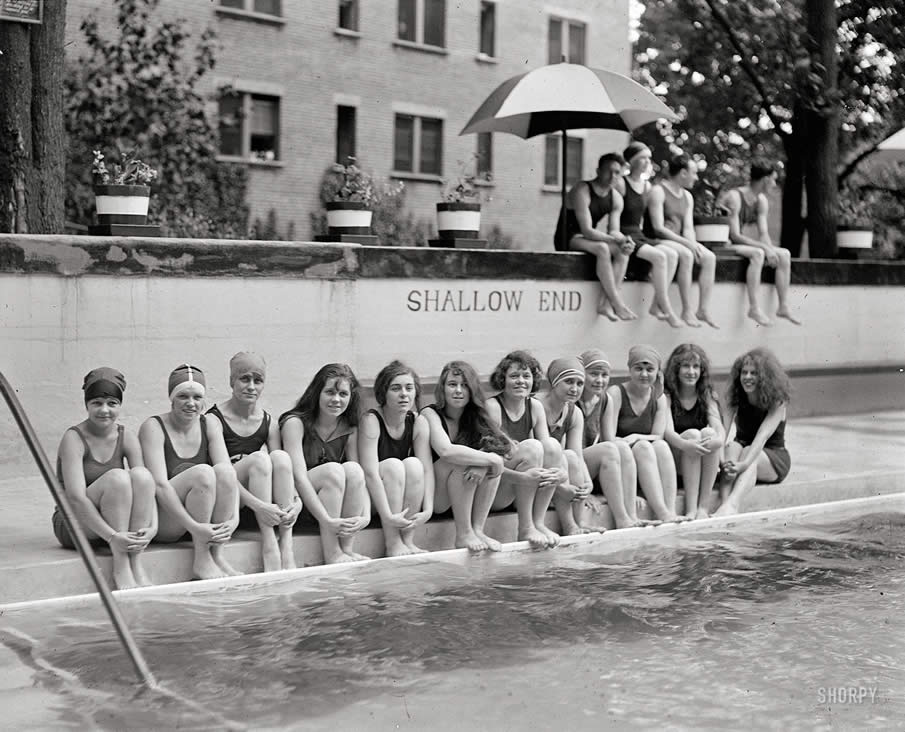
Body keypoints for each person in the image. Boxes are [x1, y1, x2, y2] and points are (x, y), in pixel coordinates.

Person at [55, 367, 157, 590]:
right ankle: (121, 568)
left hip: (111, 524)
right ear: (86, 405)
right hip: (73, 523)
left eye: (112, 403)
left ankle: (135, 563)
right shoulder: (73, 438)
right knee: (118, 479)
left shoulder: (126, 436)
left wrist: (153, 526)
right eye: (97, 403)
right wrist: (112, 538)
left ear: (120, 405)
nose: (104, 410)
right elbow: (75, 498)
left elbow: (146, 487)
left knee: (141, 475)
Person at [139, 364, 241, 580]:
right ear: (172, 398)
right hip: (169, 523)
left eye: (197, 397)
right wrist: (194, 527)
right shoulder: (153, 427)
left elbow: (229, 476)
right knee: (203, 473)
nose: (191, 403)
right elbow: (159, 486)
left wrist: (235, 518)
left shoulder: (210, 424)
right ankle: (202, 560)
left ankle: (217, 555)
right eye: (183, 396)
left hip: (200, 523)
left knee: (224, 470)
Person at [207, 352, 300, 572]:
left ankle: (286, 545)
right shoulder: (214, 419)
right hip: (228, 499)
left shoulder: (268, 422)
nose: (251, 386)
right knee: (259, 459)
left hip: (257, 504)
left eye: (257, 380)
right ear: (232, 381)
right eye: (244, 379)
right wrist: (262, 507)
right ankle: (270, 545)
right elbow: (225, 475)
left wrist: (296, 502)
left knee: (280, 457)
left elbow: (283, 471)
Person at [280, 363, 370, 564]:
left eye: (343, 394)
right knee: (333, 471)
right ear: (316, 393)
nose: (336, 400)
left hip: (333, 511)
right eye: (330, 392)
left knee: (354, 470)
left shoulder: (349, 428)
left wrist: (366, 515)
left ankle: (346, 548)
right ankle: (332, 553)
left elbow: (360, 477)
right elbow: (298, 478)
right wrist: (326, 520)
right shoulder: (295, 423)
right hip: (301, 506)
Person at [421, 361, 508, 552]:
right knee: (461, 461)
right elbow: (446, 450)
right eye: (452, 384)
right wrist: (489, 459)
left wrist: (485, 463)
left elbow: (504, 448)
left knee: (491, 462)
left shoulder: (477, 416)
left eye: (465, 385)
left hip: (462, 495)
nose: (458, 390)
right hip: (435, 497)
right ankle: (463, 534)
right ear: (442, 388)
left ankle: (478, 529)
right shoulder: (430, 413)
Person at [485, 350, 564, 548]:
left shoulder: (535, 407)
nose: (521, 381)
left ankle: (538, 522)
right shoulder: (493, 407)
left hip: (522, 488)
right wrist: (523, 478)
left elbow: (551, 454)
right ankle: (525, 527)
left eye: (526, 376)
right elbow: (489, 465)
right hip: (495, 491)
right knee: (533, 447)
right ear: (502, 379)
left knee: (552, 445)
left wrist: (560, 476)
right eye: (514, 376)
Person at [359, 360, 434, 556]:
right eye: (396, 388)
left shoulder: (418, 421)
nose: (404, 394)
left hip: (400, 499)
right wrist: (388, 516)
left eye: (409, 388)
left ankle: (408, 540)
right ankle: (393, 542)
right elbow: (369, 473)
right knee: (393, 466)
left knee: (414, 465)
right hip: (375, 500)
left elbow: (427, 469)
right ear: (383, 393)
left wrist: (428, 509)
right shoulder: (371, 420)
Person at [603, 345, 683, 523]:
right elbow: (607, 438)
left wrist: (637, 437)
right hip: (621, 465)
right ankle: (662, 512)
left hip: (647, 465)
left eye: (650, 369)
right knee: (644, 446)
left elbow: (659, 435)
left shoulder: (660, 397)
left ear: (657, 372)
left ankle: (669, 510)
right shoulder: (615, 394)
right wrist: (635, 442)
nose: (644, 374)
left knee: (659, 446)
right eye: (638, 368)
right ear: (629, 369)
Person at [553, 153, 638, 320]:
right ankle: (617, 304)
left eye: (617, 173)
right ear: (598, 170)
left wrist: (624, 241)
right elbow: (587, 230)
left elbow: (614, 231)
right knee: (602, 248)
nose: (613, 176)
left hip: (588, 239)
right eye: (609, 171)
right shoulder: (582, 189)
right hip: (569, 237)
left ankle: (605, 305)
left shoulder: (616, 198)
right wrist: (617, 240)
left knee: (623, 252)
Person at [720, 159, 801, 326]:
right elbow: (734, 235)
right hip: (724, 243)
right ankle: (754, 308)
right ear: (765, 179)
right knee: (758, 253)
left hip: (739, 243)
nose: (774, 184)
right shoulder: (735, 197)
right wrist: (765, 249)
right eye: (773, 179)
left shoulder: (761, 200)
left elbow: (763, 233)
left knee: (784, 254)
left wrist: (771, 250)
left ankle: (783, 306)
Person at [715, 347, 792, 516]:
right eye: (744, 372)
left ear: (765, 377)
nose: (747, 377)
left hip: (772, 456)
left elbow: (762, 436)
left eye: (754, 373)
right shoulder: (736, 397)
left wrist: (744, 464)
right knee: (732, 447)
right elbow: (722, 431)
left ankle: (732, 505)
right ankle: (723, 502)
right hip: (741, 451)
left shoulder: (777, 401)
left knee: (749, 451)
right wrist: (721, 460)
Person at [645, 154, 719, 328]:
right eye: (694, 173)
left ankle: (702, 309)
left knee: (709, 257)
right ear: (683, 173)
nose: (696, 177)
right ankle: (686, 310)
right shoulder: (658, 191)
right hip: (657, 240)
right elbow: (658, 228)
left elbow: (688, 227)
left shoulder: (687, 196)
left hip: (678, 241)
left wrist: (693, 243)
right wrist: (687, 245)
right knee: (686, 254)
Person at [615, 141, 683, 328]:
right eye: (642, 158)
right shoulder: (621, 183)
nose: (647, 162)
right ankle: (667, 309)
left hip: (640, 235)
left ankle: (655, 305)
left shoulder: (646, 187)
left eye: (648, 158)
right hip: (625, 235)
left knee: (672, 254)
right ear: (631, 161)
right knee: (660, 257)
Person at [577, 349, 643, 529]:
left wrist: (627, 491)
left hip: (590, 465)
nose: (600, 380)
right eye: (593, 374)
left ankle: (631, 514)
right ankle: (622, 520)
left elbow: (609, 439)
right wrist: (586, 490)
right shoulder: (572, 399)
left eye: (604, 375)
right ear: (581, 374)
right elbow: (569, 450)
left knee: (620, 446)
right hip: (573, 465)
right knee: (610, 449)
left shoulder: (605, 400)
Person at [538, 357, 601, 535]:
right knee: (561, 455)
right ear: (554, 383)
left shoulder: (574, 412)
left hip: (556, 477)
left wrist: (588, 484)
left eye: (580, 383)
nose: (575, 389)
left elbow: (577, 454)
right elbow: (535, 458)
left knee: (571, 457)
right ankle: (569, 526)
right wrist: (561, 488)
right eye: (569, 382)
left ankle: (579, 522)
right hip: (533, 480)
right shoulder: (536, 406)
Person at [663, 344, 724, 519]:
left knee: (709, 434)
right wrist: (686, 444)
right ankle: (691, 508)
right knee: (693, 434)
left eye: (696, 366)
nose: (691, 371)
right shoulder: (667, 395)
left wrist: (717, 441)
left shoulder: (706, 393)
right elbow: (667, 432)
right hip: (677, 460)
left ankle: (703, 507)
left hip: (700, 459)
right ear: (676, 369)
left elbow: (718, 426)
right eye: (686, 366)